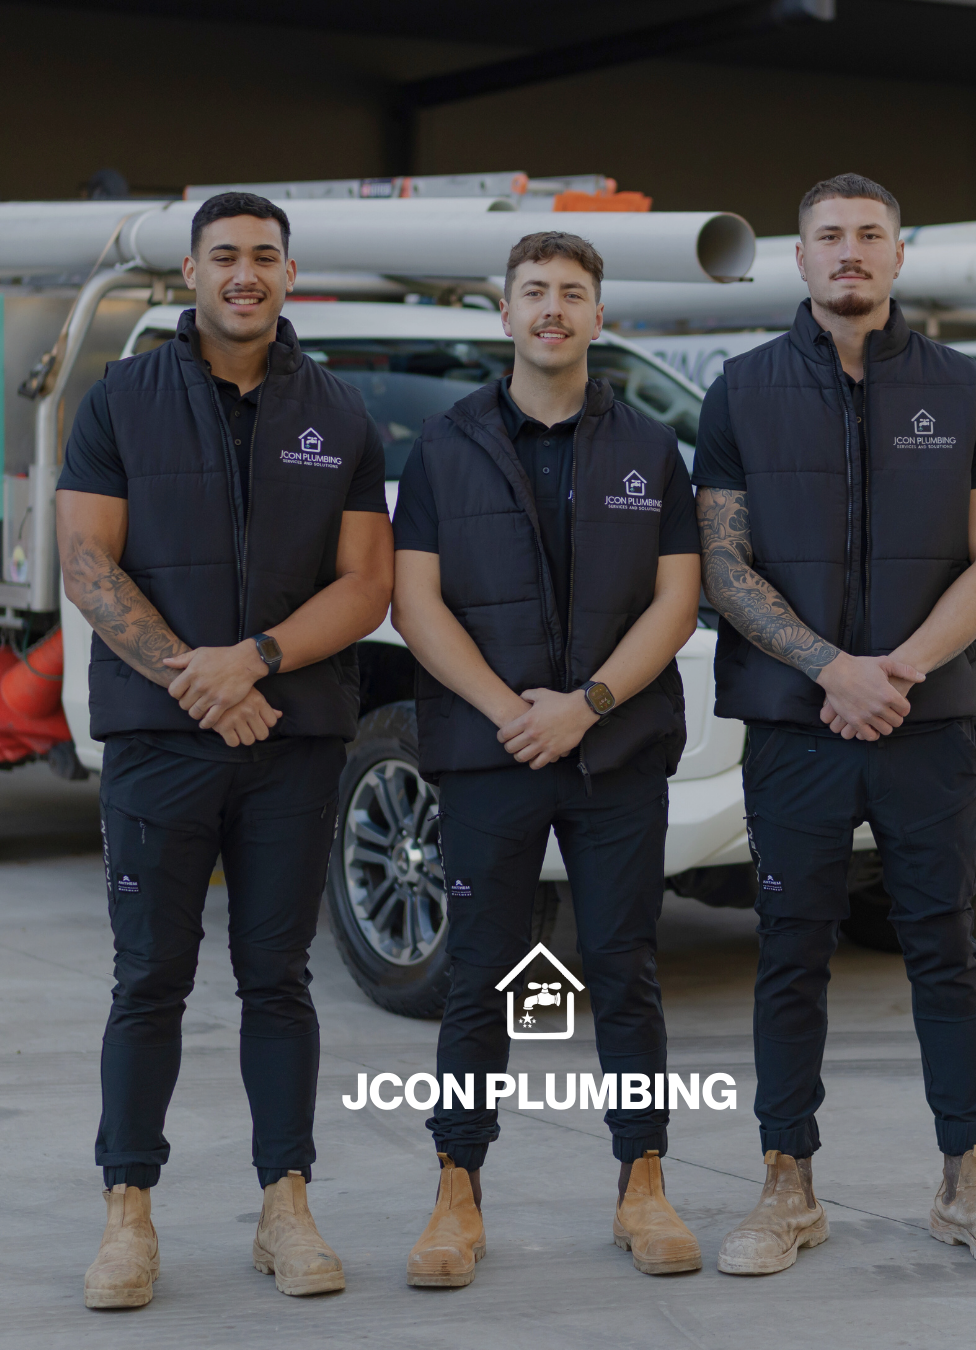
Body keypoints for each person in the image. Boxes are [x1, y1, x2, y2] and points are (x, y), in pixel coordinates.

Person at [693, 173, 976, 1276]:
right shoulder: (741, 391)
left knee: (943, 953)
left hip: (927, 721)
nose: (849, 253)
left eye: (869, 236)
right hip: (797, 730)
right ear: (798, 261)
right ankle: (785, 1187)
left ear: (897, 258)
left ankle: (968, 1184)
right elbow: (723, 561)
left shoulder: (966, 391)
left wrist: (892, 670)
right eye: (828, 237)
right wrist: (827, 669)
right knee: (790, 958)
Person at [56, 191, 394, 1308]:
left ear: (291, 275)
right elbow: (89, 564)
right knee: (148, 980)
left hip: (291, 739)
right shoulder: (122, 398)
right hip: (163, 739)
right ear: (190, 275)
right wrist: (195, 679)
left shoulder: (339, 413)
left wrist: (250, 659)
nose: (245, 273)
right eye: (224, 256)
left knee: (277, 979)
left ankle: (284, 1209)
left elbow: (366, 584)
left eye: (264, 256)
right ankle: (128, 1217)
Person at [391, 231, 703, 1287]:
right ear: (506, 312)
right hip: (491, 756)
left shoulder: (652, 448)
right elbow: (415, 600)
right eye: (535, 292)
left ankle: (643, 1183)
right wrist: (509, 713)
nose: (553, 309)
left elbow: (676, 597)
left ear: (598, 316)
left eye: (573, 293)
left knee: (625, 972)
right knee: (478, 974)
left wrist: (588, 704)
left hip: (616, 750)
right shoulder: (445, 445)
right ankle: (456, 1189)